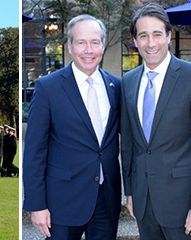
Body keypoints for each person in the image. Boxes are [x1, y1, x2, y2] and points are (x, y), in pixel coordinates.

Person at [120, 4, 191, 239]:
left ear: (168, 35)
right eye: (143, 35)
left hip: (185, 207)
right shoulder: (129, 81)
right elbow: (129, 144)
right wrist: (131, 192)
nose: (150, 43)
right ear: (135, 40)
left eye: (157, 34)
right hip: (144, 204)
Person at [23, 14, 122, 239]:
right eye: (81, 42)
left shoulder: (116, 86)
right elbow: (34, 151)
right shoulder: (48, 87)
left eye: (94, 42)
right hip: (62, 203)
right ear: (69, 47)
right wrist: (36, 205)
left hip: (106, 201)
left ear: (103, 46)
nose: (88, 50)